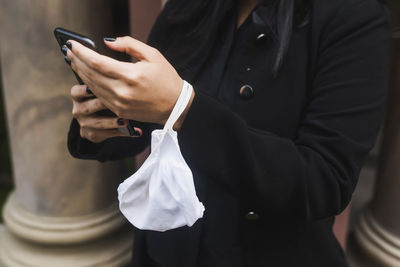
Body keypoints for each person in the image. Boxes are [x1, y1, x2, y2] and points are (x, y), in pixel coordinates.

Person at [64, 0, 391, 266]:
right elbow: (152, 124)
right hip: (165, 249)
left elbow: (324, 182)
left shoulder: (354, 17)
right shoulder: (190, 7)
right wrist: (105, 119)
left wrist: (183, 107)